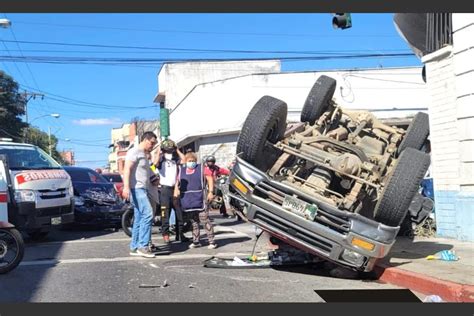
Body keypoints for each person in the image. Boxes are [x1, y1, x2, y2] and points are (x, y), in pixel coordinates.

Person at [122, 131, 159, 258]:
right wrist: (126, 187)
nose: (153, 146)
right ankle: (143, 246)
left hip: (142, 188)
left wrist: (154, 179)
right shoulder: (134, 152)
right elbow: (127, 169)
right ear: (146, 139)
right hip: (136, 189)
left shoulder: (144, 155)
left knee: (138, 218)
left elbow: (147, 171)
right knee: (148, 214)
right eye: (152, 143)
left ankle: (134, 246)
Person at [174, 152, 217, 249]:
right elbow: (177, 183)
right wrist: (175, 195)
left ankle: (212, 241)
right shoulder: (182, 170)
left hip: (200, 197)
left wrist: (211, 192)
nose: (191, 163)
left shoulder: (201, 168)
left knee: (204, 219)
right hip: (188, 200)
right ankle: (196, 241)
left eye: (193, 161)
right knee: (193, 221)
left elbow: (210, 179)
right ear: (185, 161)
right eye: (189, 161)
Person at [154, 139, 187, 244]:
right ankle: (166, 235)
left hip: (175, 189)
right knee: (165, 214)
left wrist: (177, 150)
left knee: (179, 213)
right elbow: (155, 163)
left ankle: (180, 234)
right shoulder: (161, 159)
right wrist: (159, 150)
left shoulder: (175, 159)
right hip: (164, 189)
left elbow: (184, 160)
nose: (169, 150)